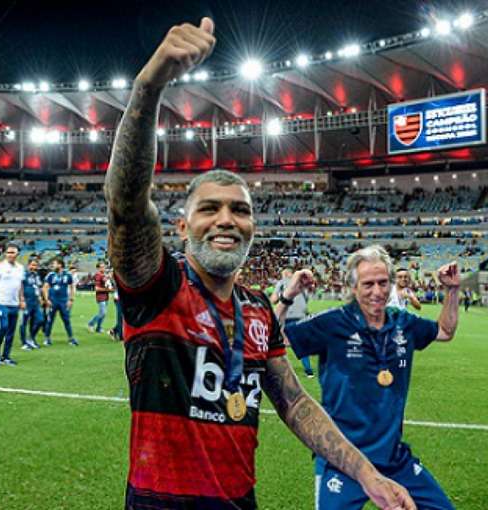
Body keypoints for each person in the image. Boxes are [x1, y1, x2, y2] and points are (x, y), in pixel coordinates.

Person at [104, 18, 414, 510]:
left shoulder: (257, 310)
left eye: (240, 210)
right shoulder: (158, 286)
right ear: (183, 229)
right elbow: (125, 203)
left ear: (252, 227)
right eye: (209, 208)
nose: (226, 220)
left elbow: (292, 401)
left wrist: (365, 473)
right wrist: (149, 86)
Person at [283, 245, 459, 509]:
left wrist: (453, 290)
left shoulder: (404, 323)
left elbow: (445, 330)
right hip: (342, 459)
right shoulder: (332, 323)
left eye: (382, 283)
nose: (377, 292)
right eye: (368, 284)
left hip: (393, 457)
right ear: (353, 288)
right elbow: (273, 338)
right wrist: (288, 296)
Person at [271, 267, 314, 378]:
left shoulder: (281, 283)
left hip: (287, 315)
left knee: (278, 343)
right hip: (301, 315)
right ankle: (309, 371)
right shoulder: (301, 282)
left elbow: (274, 299)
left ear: (285, 273)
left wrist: (282, 297)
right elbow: (306, 299)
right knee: (301, 343)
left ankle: (280, 370)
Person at [0, 244, 25, 366]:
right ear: (5, 254)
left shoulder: (20, 268)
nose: (10, 255)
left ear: (17, 254)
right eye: (8, 252)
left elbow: (20, 285)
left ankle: (6, 356)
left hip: (14, 303)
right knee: (3, 327)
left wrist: (22, 300)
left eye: (13, 252)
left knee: (11, 331)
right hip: (1, 302)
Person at [43, 257, 79, 346]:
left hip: (63, 301)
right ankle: (47, 338)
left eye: (54, 264)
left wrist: (71, 299)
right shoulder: (50, 275)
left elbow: (72, 287)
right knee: (50, 320)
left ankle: (71, 338)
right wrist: (47, 299)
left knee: (66, 320)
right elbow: (45, 287)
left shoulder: (68, 275)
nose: (53, 265)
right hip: (53, 301)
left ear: (60, 264)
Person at [20, 258, 44, 350]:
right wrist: (21, 300)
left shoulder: (36, 275)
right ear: (28, 265)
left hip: (35, 302)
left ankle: (31, 338)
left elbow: (38, 287)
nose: (34, 267)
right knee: (24, 322)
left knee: (40, 320)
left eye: (35, 265)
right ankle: (24, 343)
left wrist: (40, 298)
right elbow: (20, 286)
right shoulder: (24, 274)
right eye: (32, 265)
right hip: (26, 301)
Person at [87, 262, 112, 334]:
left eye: (104, 267)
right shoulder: (98, 275)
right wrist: (108, 290)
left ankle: (98, 327)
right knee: (102, 313)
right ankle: (91, 324)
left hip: (106, 296)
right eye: (101, 267)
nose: (103, 268)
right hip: (100, 297)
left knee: (103, 313)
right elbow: (97, 288)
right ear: (98, 268)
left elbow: (105, 282)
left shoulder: (103, 275)